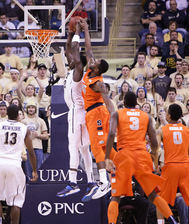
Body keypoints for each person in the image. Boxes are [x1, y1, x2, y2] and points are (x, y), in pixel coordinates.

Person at [105, 91, 179, 224]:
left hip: (125, 155)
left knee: (115, 196)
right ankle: (173, 220)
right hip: (142, 155)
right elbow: (155, 142)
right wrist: (153, 155)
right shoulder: (145, 116)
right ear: (136, 103)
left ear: (124, 102)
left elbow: (111, 134)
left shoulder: (117, 113)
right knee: (152, 195)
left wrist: (107, 158)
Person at [72, 19, 116, 200]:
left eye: (95, 61)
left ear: (96, 68)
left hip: (97, 112)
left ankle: (104, 182)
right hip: (92, 113)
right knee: (106, 148)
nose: (92, 59)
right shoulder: (91, 70)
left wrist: (115, 116)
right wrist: (86, 30)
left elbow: (108, 101)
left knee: (97, 147)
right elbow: (88, 48)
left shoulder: (98, 83)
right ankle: (123, 172)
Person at [56, 28, 94, 198]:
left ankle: (72, 183)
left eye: (73, 57)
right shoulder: (73, 70)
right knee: (84, 150)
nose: (70, 57)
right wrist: (70, 33)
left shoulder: (79, 71)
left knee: (73, 147)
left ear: (79, 61)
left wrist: (78, 31)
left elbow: (75, 50)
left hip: (76, 112)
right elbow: (68, 48)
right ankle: (91, 181)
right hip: (82, 113)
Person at [0, 104, 38, 224]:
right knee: (16, 201)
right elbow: (31, 152)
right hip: (15, 164)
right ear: (18, 115)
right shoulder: (24, 128)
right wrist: (34, 170)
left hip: (0, 163)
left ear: (5, 114)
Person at [156, 104, 189, 224]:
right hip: (185, 166)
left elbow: (156, 151)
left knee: (161, 202)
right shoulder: (186, 130)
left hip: (170, 166)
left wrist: (156, 166)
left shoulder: (162, 130)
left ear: (169, 115)